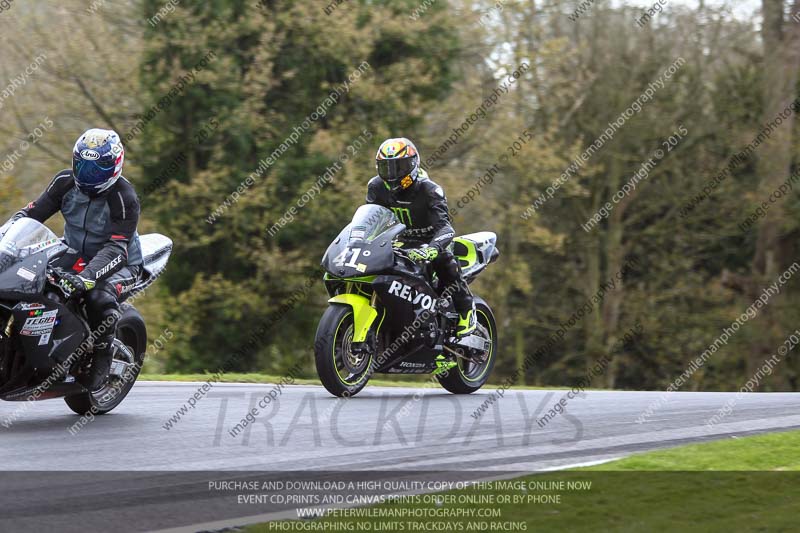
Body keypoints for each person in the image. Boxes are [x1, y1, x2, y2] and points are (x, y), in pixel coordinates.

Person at [10, 128, 142, 390]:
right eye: (82, 166)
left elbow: (117, 248)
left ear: (115, 165)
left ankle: (103, 354)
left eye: (97, 169)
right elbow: (30, 215)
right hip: (73, 251)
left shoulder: (124, 198)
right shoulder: (64, 182)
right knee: (29, 281)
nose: (88, 175)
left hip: (123, 262)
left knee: (98, 297)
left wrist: (86, 279)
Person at [366, 137, 475, 336]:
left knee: (445, 261)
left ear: (413, 164)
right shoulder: (376, 187)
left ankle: (466, 310)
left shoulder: (430, 190)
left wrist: (433, 249)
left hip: (431, 242)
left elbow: (446, 228)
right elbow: (370, 220)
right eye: (386, 168)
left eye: (398, 167)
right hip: (398, 241)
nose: (392, 174)